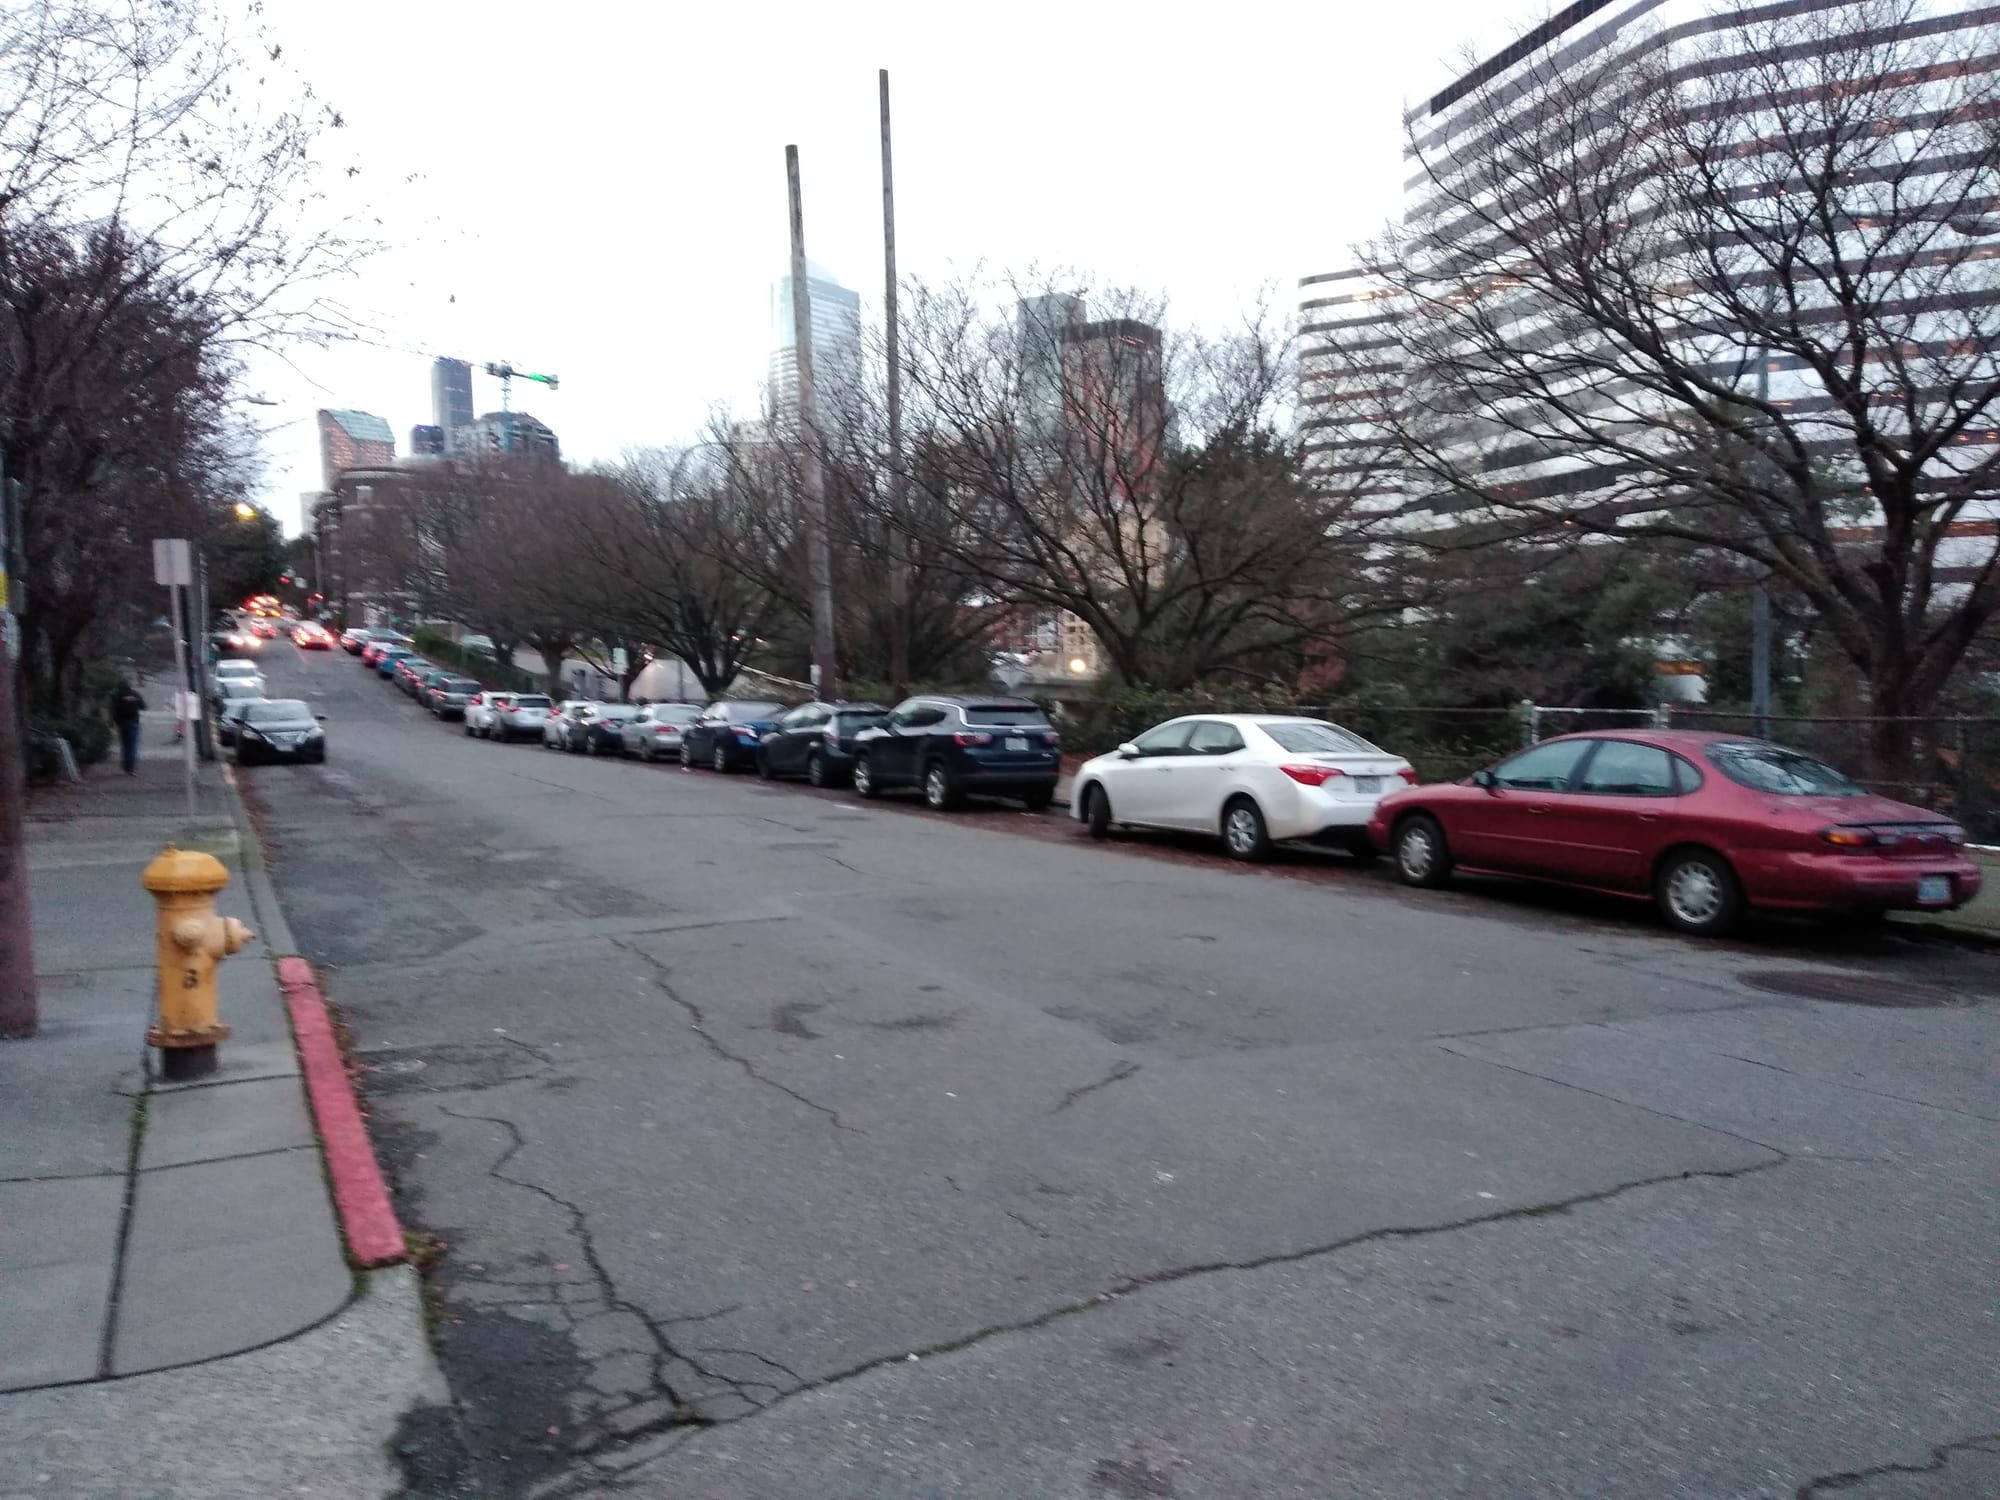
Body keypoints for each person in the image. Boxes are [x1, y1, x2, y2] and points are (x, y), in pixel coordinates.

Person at [111, 678, 147, 775]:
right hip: (134, 723)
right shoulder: (135, 694)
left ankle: (125, 765)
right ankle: (131, 767)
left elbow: (114, 710)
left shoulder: (118, 696)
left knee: (125, 745)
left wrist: (114, 722)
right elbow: (143, 706)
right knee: (132, 745)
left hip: (122, 723)